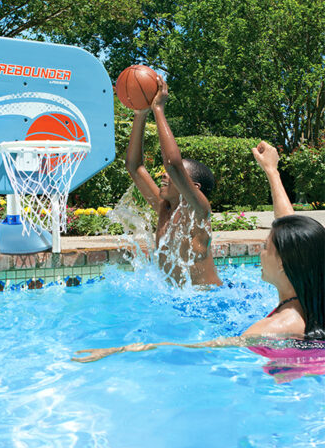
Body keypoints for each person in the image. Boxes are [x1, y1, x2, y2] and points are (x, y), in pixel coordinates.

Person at [73, 141, 325, 363]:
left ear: (284, 262)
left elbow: (204, 348)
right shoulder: (307, 303)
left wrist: (122, 350)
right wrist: (271, 171)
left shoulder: (274, 327)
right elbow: (292, 229)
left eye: (265, 248)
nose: (260, 254)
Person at [125, 75, 221, 286]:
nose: (164, 175)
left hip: (208, 300)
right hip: (177, 300)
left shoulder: (199, 212)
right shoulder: (164, 208)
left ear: (194, 188)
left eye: (174, 176)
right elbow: (134, 167)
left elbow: (172, 163)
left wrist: (158, 109)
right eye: (166, 174)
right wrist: (140, 114)